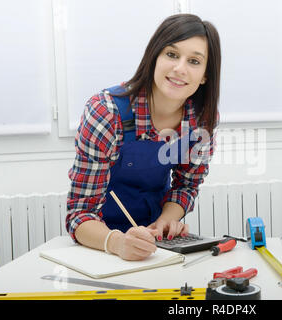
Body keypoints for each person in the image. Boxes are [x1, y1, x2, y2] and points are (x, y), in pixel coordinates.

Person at [65, 14, 221, 261]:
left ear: (205, 76)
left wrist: (166, 222)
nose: (180, 68)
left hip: (154, 246)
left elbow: (186, 185)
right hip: (99, 244)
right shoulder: (106, 112)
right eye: (171, 54)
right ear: (154, 57)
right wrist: (116, 243)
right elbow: (80, 213)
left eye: (194, 61)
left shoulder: (200, 121)